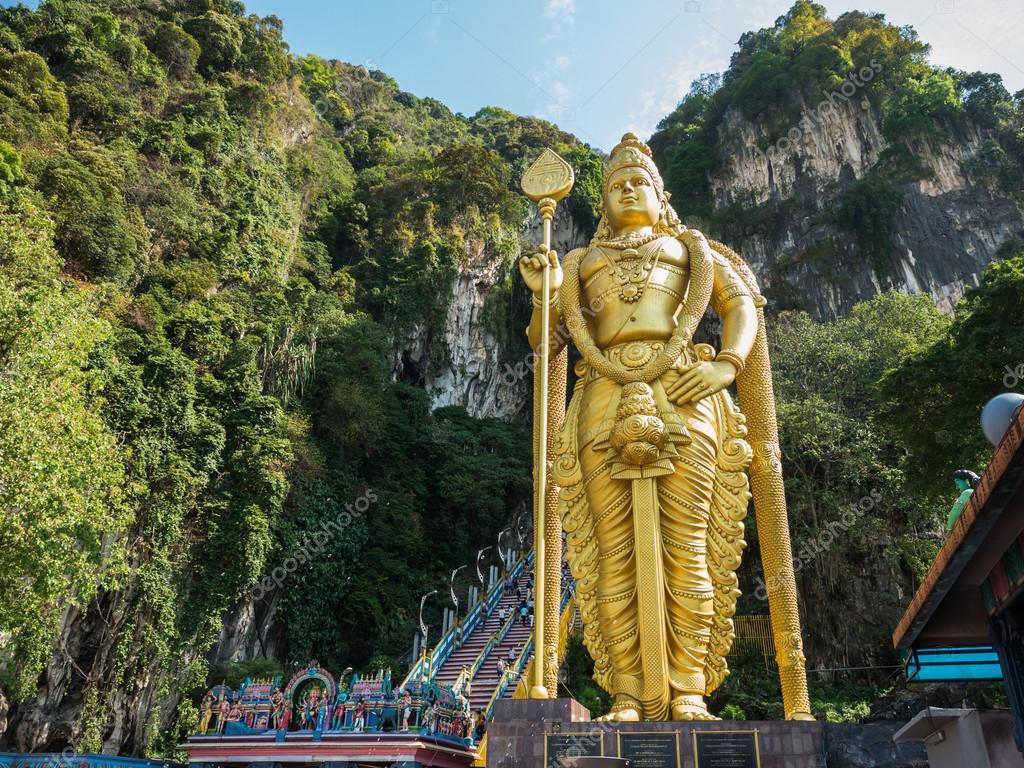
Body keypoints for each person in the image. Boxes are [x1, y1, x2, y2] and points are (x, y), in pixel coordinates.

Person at [518, 133, 812, 721]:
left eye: (639, 183)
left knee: (690, 545)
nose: (628, 191)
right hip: (601, 395)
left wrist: (728, 363)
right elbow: (544, 341)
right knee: (610, 550)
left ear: (662, 195)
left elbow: (740, 305)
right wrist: (543, 298)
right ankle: (626, 691)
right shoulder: (578, 264)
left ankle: (689, 691)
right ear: (601, 202)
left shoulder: (692, 250)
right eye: (617, 185)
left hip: (683, 389)